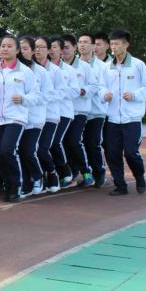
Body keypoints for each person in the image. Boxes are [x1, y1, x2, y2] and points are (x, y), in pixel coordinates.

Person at [100, 29, 146, 196]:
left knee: (131, 152)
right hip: (113, 119)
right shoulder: (107, 67)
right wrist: (104, 94)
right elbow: (101, 87)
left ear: (126, 45)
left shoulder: (138, 65)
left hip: (132, 118)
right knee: (112, 153)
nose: (113, 47)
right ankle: (120, 185)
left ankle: (139, 176)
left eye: (117, 43)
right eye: (112, 44)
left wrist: (134, 95)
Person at [0, 35, 36, 202]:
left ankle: (16, 186)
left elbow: (35, 96)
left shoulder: (25, 71)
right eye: (2, 46)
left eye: (9, 46)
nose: (5, 49)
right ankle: (7, 185)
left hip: (16, 117)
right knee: (0, 153)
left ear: (17, 50)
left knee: (8, 150)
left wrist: (23, 99)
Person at [61, 34, 97, 187]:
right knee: (62, 142)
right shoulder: (57, 66)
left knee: (74, 140)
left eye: (67, 47)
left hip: (79, 110)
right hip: (62, 111)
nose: (64, 51)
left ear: (75, 48)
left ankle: (86, 171)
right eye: (61, 47)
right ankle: (70, 172)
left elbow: (94, 86)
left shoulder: (84, 67)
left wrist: (82, 91)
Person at [18, 35, 50, 196]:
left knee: (28, 150)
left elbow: (47, 95)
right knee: (18, 151)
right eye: (20, 48)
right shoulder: (12, 70)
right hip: (16, 118)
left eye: (25, 48)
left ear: (32, 51)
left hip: (34, 117)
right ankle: (25, 182)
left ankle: (38, 177)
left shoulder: (41, 72)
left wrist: (27, 99)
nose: (22, 52)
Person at [34, 35, 64, 193]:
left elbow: (61, 92)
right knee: (31, 149)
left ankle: (52, 173)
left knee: (42, 149)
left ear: (49, 50)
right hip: (32, 117)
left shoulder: (55, 70)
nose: (38, 50)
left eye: (42, 47)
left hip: (50, 116)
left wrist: (41, 97)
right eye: (36, 47)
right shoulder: (29, 69)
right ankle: (38, 177)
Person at [78, 33, 108, 188]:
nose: (82, 45)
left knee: (92, 143)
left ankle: (99, 172)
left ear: (92, 46)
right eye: (80, 42)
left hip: (96, 111)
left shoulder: (103, 67)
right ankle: (85, 173)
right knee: (78, 143)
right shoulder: (72, 64)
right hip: (78, 111)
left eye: (86, 42)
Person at [49, 36, 80, 188]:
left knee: (55, 142)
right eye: (50, 47)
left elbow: (75, 91)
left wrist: (58, 92)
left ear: (61, 50)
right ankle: (54, 173)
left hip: (64, 112)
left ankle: (65, 170)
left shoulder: (69, 70)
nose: (51, 50)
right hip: (47, 113)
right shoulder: (42, 68)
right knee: (46, 145)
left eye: (55, 47)